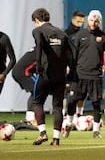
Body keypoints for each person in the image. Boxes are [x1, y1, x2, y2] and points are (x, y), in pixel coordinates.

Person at [30, 8, 76, 146]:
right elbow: (73, 52)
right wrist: (71, 71)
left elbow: (39, 46)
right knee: (57, 106)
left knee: (37, 102)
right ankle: (56, 139)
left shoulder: (38, 31)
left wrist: (38, 65)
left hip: (45, 73)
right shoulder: (62, 33)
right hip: (60, 75)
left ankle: (43, 133)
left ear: (37, 20)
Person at [64, 10, 105, 138]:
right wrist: (70, 71)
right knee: (72, 101)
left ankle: (96, 131)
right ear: (88, 20)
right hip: (79, 75)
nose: (93, 23)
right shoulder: (80, 35)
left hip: (95, 76)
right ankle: (68, 123)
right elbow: (73, 55)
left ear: (99, 22)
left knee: (96, 103)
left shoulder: (104, 37)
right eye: (91, 20)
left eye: (96, 21)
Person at [63, 11, 85, 117]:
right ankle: (64, 115)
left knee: (81, 92)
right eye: (78, 21)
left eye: (81, 22)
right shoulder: (66, 34)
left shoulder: (82, 34)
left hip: (79, 67)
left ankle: (79, 114)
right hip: (68, 67)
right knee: (65, 91)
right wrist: (65, 65)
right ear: (72, 20)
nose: (80, 24)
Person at [12, 46, 38, 126]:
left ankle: (30, 118)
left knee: (36, 91)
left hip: (19, 71)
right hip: (23, 72)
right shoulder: (42, 51)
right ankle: (30, 119)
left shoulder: (37, 48)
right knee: (37, 90)